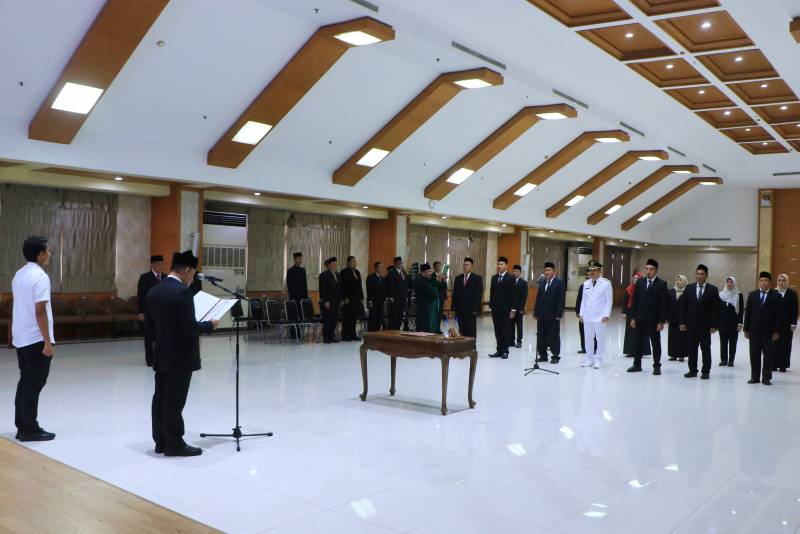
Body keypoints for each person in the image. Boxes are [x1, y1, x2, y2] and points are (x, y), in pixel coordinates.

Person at [146, 250, 218, 456]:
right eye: (193, 273)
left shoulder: (155, 291)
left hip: (161, 353)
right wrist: (210, 325)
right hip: (181, 356)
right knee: (175, 401)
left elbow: (150, 325)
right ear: (186, 270)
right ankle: (175, 444)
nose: (192, 278)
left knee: (160, 398)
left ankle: (160, 441)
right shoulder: (183, 293)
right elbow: (190, 327)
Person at [11, 236, 56, 442]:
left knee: (25, 382)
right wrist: (47, 342)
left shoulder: (19, 274)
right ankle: (29, 429)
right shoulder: (40, 276)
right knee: (33, 384)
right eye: (48, 251)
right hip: (36, 339)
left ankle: (22, 425)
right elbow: (40, 311)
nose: (49, 254)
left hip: (22, 337)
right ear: (40, 254)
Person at [680, 264, 720, 380]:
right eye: (697, 274)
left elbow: (716, 309)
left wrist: (714, 325)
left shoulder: (713, 289)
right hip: (691, 325)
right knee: (692, 349)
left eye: (702, 274)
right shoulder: (689, 288)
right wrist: (682, 322)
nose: (699, 276)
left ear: (706, 275)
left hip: (705, 326)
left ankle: (706, 371)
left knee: (705, 349)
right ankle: (692, 370)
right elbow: (683, 306)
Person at [627, 259, 668, 375]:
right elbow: (635, 301)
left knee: (655, 343)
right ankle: (637, 364)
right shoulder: (640, 282)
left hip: (654, 320)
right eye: (647, 269)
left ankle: (656, 366)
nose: (648, 271)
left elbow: (663, 304)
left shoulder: (661, 284)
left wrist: (661, 321)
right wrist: (633, 317)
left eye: (651, 269)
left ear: (656, 270)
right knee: (638, 342)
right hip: (640, 318)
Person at [744, 272, 782, 385]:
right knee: (754, 355)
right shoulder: (752, 295)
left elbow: (778, 315)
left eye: (766, 280)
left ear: (770, 282)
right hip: (754, 331)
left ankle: (766, 377)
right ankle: (754, 377)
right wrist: (746, 329)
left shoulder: (776, 295)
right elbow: (748, 313)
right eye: (761, 280)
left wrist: (776, 331)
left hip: (769, 331)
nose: (763, 282)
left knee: (768, 356)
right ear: (759, 282)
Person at [578, 260, 612, 369]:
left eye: (594, 270)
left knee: (600, 339)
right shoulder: (586, 284)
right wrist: (581, 314)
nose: (592, 272)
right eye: (590, 270)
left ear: (600, 271)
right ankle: (589, 359)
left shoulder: (606, 284)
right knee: (588, 339)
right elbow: (583, 300)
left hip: (600, 317)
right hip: (588, 316)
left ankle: (599, 360)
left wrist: (606, 314)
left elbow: (609, 300)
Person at [533, 261, 565, 363]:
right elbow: (538, 298)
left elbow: (561, 300)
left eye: (549, 270)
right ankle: (543, 355)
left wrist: (559, 314)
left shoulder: (559, 283)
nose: (547, 272)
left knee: (553, 335)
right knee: (541, 335)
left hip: (553, 315)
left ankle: (555, 355)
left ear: (554, 271)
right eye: (545, 270)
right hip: (542, 314)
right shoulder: (542, 282)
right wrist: (536, 312)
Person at [137, 255, 165, 367]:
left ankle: (160, 358)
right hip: (149, 312)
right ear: (152, 265)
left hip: (163, 313)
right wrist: (141, 312)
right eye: (158, 264)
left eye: (162, 264)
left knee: (162, 336)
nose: (160, 266)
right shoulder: (145, 277)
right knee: (149, 337)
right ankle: (149, 360)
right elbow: (141, 296)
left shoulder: (166, 277)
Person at [489, 257, 516, 359]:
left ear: (506, 266)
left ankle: (505, 351)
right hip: (495, 309)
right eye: (498, 264)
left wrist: (513, 309)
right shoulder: (494, 278)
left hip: (506, 309)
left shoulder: (510, 278)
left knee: (506, 331)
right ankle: (499, 350)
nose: (499, 266)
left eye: (501, 264)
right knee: (497, 330)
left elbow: (513, 294)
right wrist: (491, 306)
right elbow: (492, 293)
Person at [451, 257, 483, 338]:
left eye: (468, 265)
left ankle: (472, 345)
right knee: (462, 329)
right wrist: (453, 308)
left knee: (471, 330)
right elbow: (455, 294)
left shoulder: (477, 278)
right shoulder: (458, 278)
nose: (465, 266)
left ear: (472, 267)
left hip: (471, 310)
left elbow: (478, 295)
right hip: (459, 309)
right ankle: (463, 345)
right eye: (464, 265)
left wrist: (476, 308)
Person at [774, 273, 798, 372]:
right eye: (779, 280)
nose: (781, 282)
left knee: (785, 344)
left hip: (787, 324)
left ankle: (783, 365)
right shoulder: (773, 292)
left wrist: (793, 323)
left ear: (787, 281)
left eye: (783, 280)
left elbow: (794, 309)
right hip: (774, 323)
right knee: (774, 344)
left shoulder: (792, 293)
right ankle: (773, 364)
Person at [622, 272, 650, 358]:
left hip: (641, 312)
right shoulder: (629, 289)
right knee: (630, 332)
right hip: (630, 312)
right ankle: (630, 351)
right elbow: (625, 301)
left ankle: (641, 351)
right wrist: (624, 312)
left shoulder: (644, 289)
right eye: (634, 278)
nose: (635, 280)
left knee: (641, 331)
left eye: (637, 279)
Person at [718, 276, 744, 367]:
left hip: (734, 322)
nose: (729, 284)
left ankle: (731, 360)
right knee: (723, 342)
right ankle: (723, 360)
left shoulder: (738, 295)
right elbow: (717, 310)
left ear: (734, 283)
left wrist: (740, 323)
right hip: (722, 322)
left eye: (731, 282)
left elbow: (740, 310)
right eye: (728, 282)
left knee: (733, 342)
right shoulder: (721, 295)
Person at [413, 264, 445, 333]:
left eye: (430, 271)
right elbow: (428, 288)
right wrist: (436, 280)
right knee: (422, 324)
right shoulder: (418, 280)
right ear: (423, 272)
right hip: (422, 305)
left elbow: (440, 287)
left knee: (428, 324)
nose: (430, 273)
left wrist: (441, 280)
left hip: (429, 304)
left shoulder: (428, 279)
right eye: (428, 271)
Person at [340, 256, 364, 342]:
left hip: (356, 299)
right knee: (347, 318)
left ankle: (353, 334)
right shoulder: (344, 272)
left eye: (355, 261)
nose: (355, 263)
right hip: (348, 299)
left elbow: (360, 286)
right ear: (348, 262)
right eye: (353, 261)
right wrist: (345, 297)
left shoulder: (357, 272)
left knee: (354, 318)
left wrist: (361, 297)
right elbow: (342, 286)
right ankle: (345, 335)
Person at [319, 257, 342, 343]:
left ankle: (331, 336)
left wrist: (341, 299)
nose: (336, 266)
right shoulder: (324, 275)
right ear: (330, 265)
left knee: (334, 320)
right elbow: (323, 289)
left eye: (336, 264)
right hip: (329, 301)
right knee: (328, 319)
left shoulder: (338, 275)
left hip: (336, 301)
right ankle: (326, 337)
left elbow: (340, 288)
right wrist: (326, 301)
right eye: (334, 264)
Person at [667, 275, 689, 363]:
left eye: (680, 280)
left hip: (683, 319)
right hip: (672, 318)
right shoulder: (671, 291)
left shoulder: (687, 292)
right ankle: (673, 354)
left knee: (682, 337)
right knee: (672, 337)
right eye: (677, 280)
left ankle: (682, 355)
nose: (678, 281)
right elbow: (667, 305)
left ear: (684, 281)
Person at [386, 256, 409, 330]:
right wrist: (390, 296)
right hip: (395, 298)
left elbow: (405, 285)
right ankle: (391, 331)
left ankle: (397, 330)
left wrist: (406, 296)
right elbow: (389, 285)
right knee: (394, 316)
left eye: (401, 263)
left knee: (400, 315)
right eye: (399, 263)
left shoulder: (403, 272)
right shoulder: (391, 273)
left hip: (402, 298)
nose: (400, 264)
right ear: (395, 264)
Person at [366, 261, 386, 332]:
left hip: (380, 302)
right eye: (380, 267)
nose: (381, 269)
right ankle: (371, 334)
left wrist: (384, 300)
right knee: (373, 319)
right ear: (376, 268)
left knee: (379, 319)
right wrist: (370, 301)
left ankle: (377, 333)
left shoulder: (382, 278)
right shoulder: (371, 277)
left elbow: (383, 290)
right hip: (373, 302)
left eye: (382, 267)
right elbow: (369, 290)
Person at [512, 265, 528, 348]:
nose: (515, 273)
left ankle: (519, 341)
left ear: (520, 273)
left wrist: (522, 308)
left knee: (519, 325)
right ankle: (511, 340)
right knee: (510, 325)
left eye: (517, 271)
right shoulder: (510, 281)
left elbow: (524, 297)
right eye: (514, 271)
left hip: (519, 308)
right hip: (511, 308)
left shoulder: (523, 283)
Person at [432, 261, 447, 334]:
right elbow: (434, 286)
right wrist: (438, 279)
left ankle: (438, 329)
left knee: (440, 314)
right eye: (437, 266)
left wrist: (444, 280)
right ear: (434, 267)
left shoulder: (442, 275)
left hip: (441, 297)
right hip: (435, 297)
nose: (438, 267)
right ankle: (434, 328)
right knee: (435, 314)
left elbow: (444, 287)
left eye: (439, 266)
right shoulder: (432, 276)